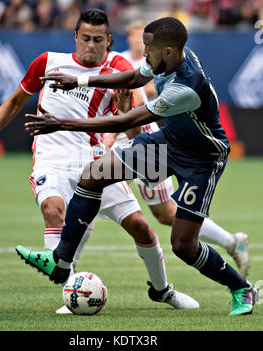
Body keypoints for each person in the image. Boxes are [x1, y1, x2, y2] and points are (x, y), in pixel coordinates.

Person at [19, 16, 258, 316]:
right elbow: (133, 78)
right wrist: (80, 79)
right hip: (169, 144)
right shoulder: (165, 59)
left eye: (148, 48)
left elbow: (126, 120)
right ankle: (61, 260)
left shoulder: (185, 87)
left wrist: (62, 123)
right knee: (94, 175)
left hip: (202, 160)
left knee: (183, 245)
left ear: (169, 51)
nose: (143, 54)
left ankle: (241, 288)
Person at [0, 9, 199, 313]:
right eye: (86, 38)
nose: (91, 45)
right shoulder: (48, 62)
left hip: (92, 159)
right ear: (75, 37)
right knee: (54, 211)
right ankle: (72, 292)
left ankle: (163, 290)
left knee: (141, 227)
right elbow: (14, 101)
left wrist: (124, 107)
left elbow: (131, 128)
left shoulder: (119, 69)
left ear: (109, 41)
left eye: (98, 39)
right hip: (50, 158)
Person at [104, 19, 249, 277]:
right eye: (137, 37)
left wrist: (111, 136)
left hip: (147, 138)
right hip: (137, 138)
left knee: (168, 215)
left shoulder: (158, 67)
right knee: (94, 183)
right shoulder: (121, 61)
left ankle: (228, 242)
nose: (141, 44)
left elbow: (135, 106)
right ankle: (65, 264)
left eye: (145, 39)